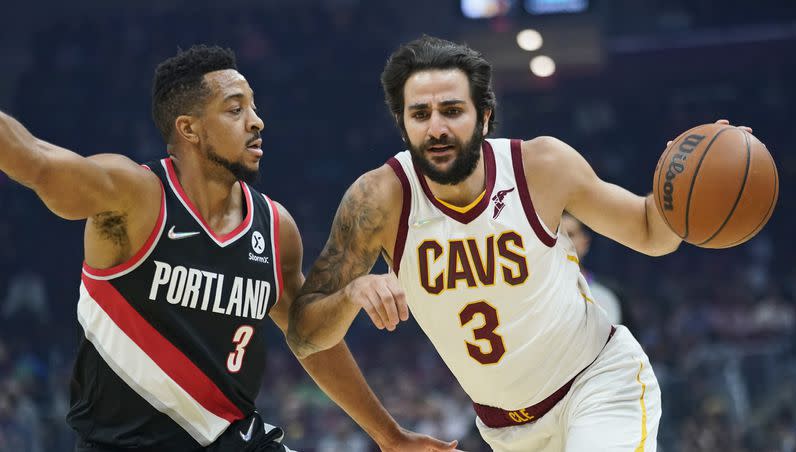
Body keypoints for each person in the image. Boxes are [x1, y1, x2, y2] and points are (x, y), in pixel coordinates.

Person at [287, 36, 752, 451]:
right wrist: (350, 295)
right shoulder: (378, 200)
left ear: (483, 116)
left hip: (597, 386)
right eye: (420, 114)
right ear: (402, 123)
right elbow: (304, 334)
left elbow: (651, 231)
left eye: (452, 110)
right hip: (505, 431)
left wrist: (683, 186)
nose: (436, 128)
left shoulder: (540, 166)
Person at [0, 45, 459, 452]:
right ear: (190, 128)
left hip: (236, 438)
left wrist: (390, 437)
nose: (257, 121)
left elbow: (309, 340)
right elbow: (36, 160)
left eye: (254, 108)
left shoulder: (275, 227)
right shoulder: (134, 197)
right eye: (235, 109)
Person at [560, 213, 623, 324]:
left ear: (585, 242)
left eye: (570, 235)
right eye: (557, 235)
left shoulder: (609, 292)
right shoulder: (537, 288)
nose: (562, 241)